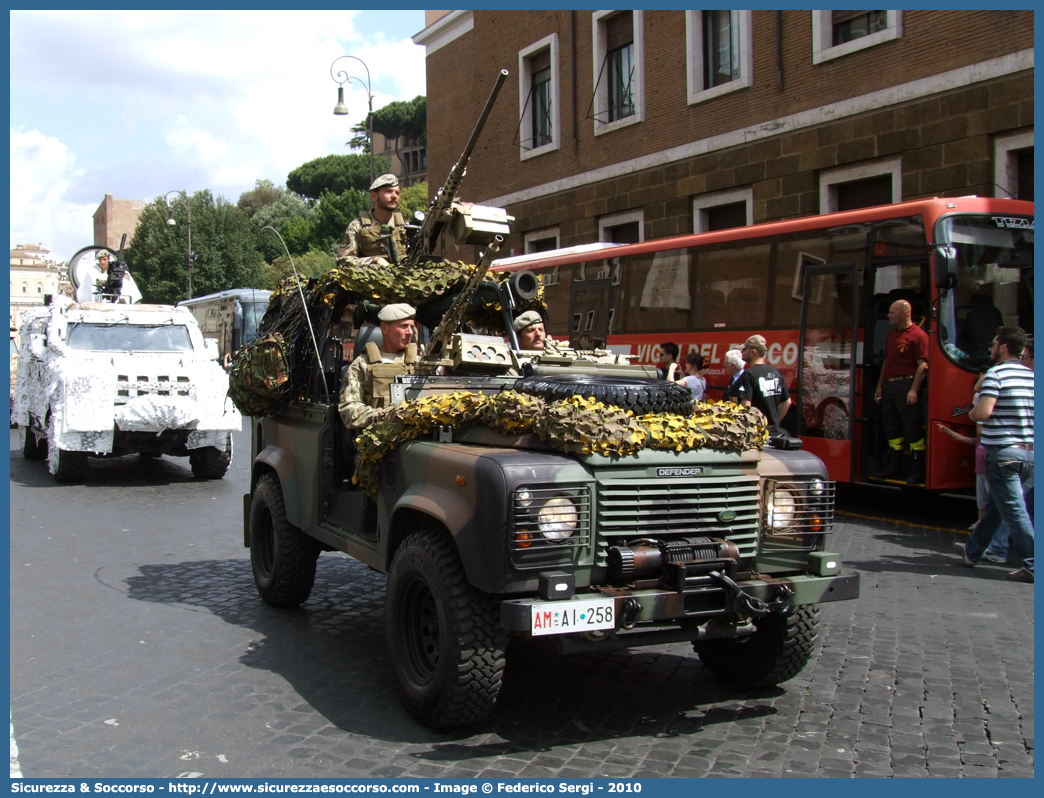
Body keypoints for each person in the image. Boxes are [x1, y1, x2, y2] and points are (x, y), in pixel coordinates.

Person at [954, 326, 1034, 583]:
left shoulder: (995, 373)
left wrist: (972, 414)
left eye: (993, 344)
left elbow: (984, 412)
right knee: (998, 506)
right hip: (1029, 454)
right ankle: (973, 550)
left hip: (1003, 453)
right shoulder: (1032, 376)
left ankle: (1033, 563)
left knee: (1014, 510)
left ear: (1003, 347)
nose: (990, 348)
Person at [873, 299, 929, 483]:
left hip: (906, 385)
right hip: (889, 386)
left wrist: (913, 390)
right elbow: (886, 362)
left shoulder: (919, 336)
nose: (888, 315)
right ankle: (894, 467)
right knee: (891, 427)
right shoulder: (891, 336)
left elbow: (923, 366)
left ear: (905, 313)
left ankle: (916, 470)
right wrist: (880, 386)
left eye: (892, 312)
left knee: (911, 429)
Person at [338, 303, 416, 428]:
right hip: (376, 438)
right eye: (404, 326)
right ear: (384, 328)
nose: (409, 332)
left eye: (412, 327)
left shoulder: (420, 364)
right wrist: (384, 415)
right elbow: (349, 410)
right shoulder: (363, 364)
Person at [336, 174, 408, 265]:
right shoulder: (358, 226)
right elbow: (342, 260)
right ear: (374, 196)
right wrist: (373, 260)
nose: (394, 196)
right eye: (388, 191)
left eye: (397, 193)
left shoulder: (405, 227)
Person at [734, 335, 791, 435]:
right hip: (774, 433)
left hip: (756, 435)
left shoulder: (749, 374)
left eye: (745, 349)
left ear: (753, 352)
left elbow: (746, 407)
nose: (742, 352)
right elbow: (787, 402)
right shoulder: (776, 373)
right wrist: (774, 423)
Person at [76, 250, 142, 304]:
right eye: (100, 260)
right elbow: (90, 286)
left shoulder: (115, 271)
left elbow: (126, 283)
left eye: (104, 259)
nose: (102, 262)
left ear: (108, 259)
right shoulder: (93, 272)